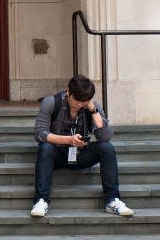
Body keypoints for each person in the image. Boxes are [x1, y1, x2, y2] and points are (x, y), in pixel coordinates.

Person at [30, 74, 133, 218]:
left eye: (84, 101)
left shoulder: (90, 107)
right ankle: (41, 200)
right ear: (68, 92)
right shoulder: (51, 103)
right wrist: (69, 140)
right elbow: (40, 134)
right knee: (45, 147)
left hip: (81, 155)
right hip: (57, 155)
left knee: (106, 148)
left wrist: (93, 110)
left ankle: (112, 200)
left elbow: (105, 137)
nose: (80, 104)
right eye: (77, 100)